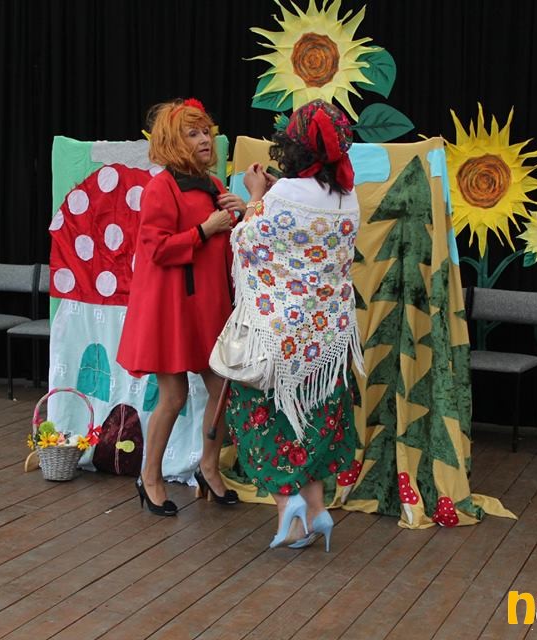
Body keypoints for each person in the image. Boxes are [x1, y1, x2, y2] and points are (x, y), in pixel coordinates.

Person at [224, 99, 363, 550]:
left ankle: (290, 508)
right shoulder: (347, 197)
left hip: (279, 337)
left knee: (263, 417)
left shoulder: (282, 195)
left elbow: (246, 242)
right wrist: (272, 195)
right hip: (326, 339)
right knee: (312, 420)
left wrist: (256, 196)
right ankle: (315, 512)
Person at [117, 98, 244, 516]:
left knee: (220, 392)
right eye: (193, 133)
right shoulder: (162, 187)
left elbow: (230, 242)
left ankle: (208, 467)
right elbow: (155, 249)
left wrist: (242, 215)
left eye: (206, 131)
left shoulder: (214, 185)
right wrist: (204, 230)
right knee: (173, 396)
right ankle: (150, 477)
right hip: (174, 308)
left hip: (208, 305)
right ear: (173, 142)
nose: (205, 139)